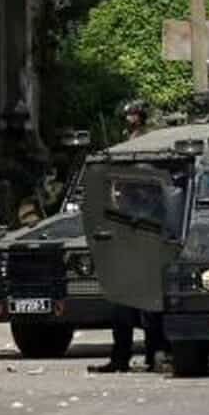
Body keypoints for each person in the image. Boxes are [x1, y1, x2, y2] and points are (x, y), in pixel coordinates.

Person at [91, 100, 170, 374]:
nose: (129, 119)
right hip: (124, 229)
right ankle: (120, 356)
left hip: (150, 228)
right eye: (128, 115)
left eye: (133, 115)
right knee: (120, 304)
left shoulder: (152, 139)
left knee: (150, 304)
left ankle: (156, 353)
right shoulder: (128, 141)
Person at [0, 101, 51, 231]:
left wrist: (30, 156)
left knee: (42, 202)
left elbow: (44, 155)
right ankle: (6, 226)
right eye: (14, 119)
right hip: (10, 182)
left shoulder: (30, 137)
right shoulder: (2, 138)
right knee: (5, 195)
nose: (17, 122)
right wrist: (14, 166)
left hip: (29, 183)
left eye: (20, 119)